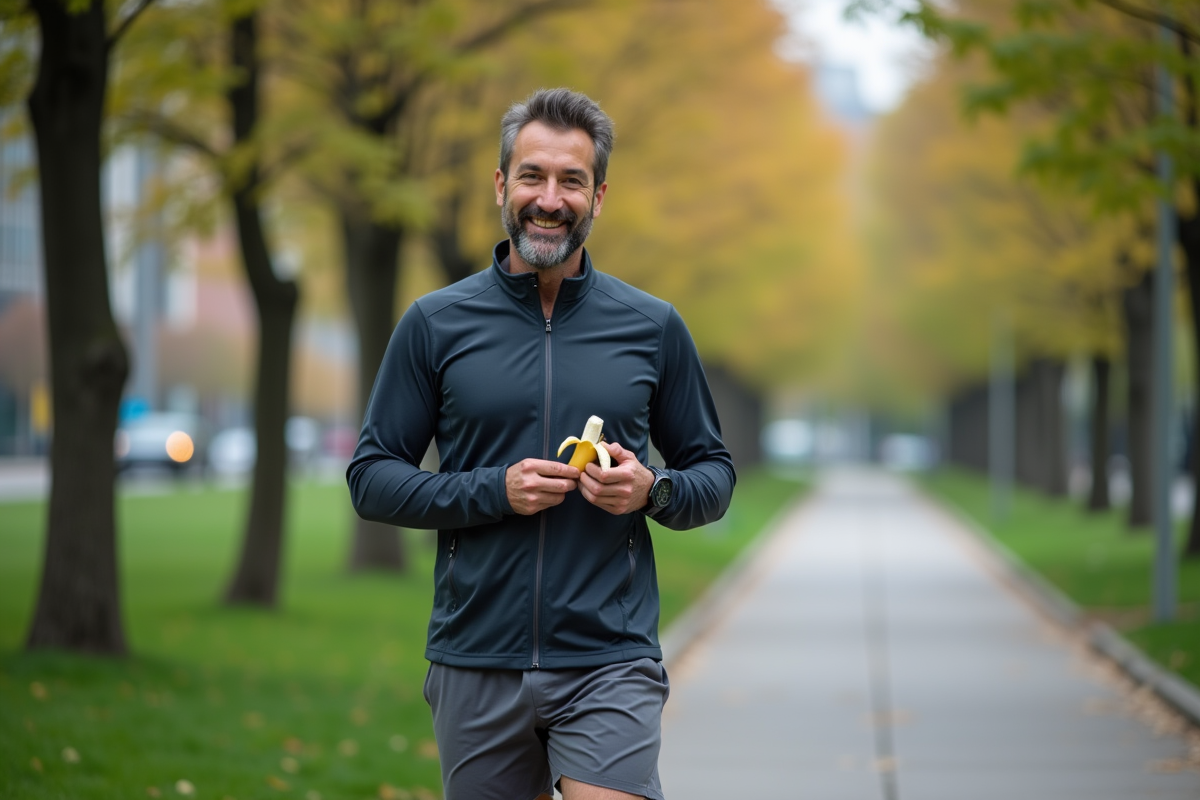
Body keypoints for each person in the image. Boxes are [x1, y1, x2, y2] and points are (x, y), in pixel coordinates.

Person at [348, 87, 735, 800]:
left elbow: (714, 474)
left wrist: (654, 490)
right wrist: (494, 491)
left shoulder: (651, 326)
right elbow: (371, 479)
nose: (549, 199)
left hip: (608, 657)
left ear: (599, 195)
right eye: (532, 176)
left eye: (571, 181)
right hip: (476, 657)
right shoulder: (437, 323)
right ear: (501, 185)